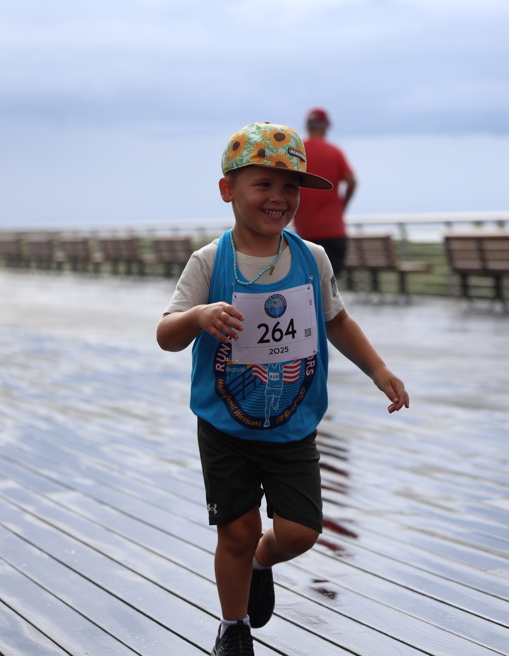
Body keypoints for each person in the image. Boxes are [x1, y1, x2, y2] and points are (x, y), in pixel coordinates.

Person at [157, 122, 409, 656]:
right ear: (228, 189)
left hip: (293, 424)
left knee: (299, 532)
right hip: (226, 424)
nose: (279, 197)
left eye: (290, 187)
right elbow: (166, 334)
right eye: (264, 184)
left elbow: (337, 320)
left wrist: (378, 369)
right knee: (236, 530)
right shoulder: (210, 261)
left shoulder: (311, 258)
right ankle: (233, 628)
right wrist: (198, 316)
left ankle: (259, 562)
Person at [293, 108, 357, 276]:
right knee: (331, 283)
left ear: (307, 125)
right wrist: (342, 206)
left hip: (304, 231)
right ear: (325, 126)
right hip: (333, 229)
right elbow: (351, 181)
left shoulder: (297, 153)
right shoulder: (335, 152)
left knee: (308, 282)